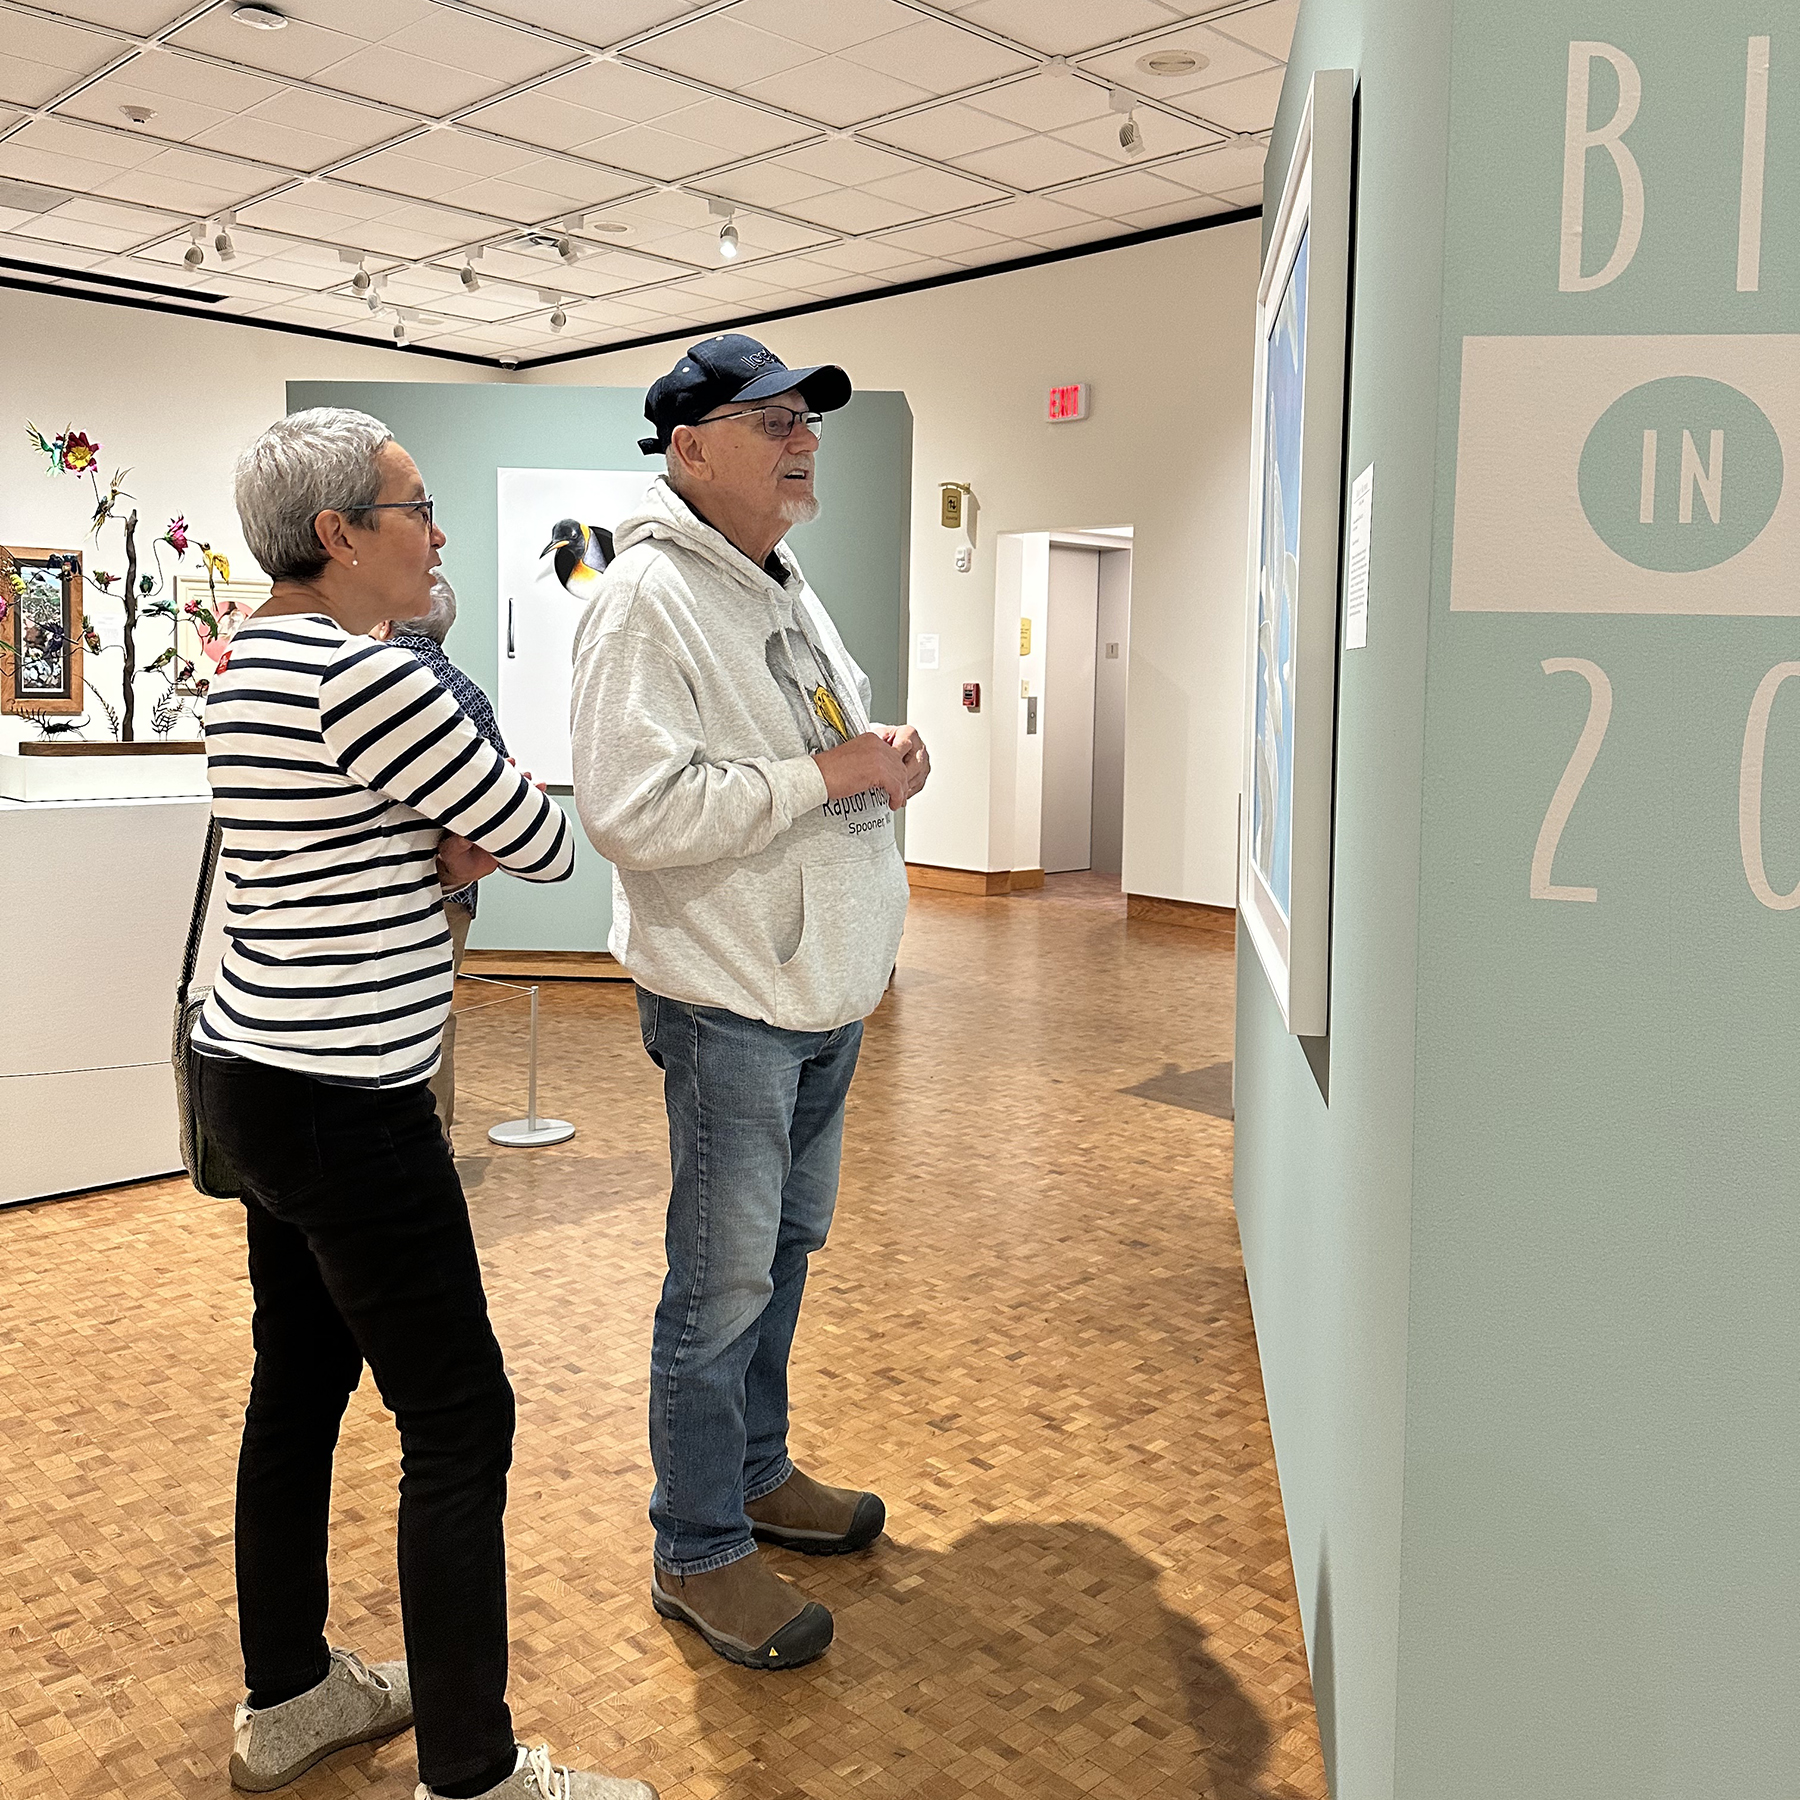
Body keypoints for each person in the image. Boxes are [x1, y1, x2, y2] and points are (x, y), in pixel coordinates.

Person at [192, 406, 655, 1800]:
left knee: (301, 1384)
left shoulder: (240, 667)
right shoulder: (371, 684)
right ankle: (473, 1771)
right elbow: (538, 836)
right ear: (338, 536)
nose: (437, 531)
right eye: (413, 507)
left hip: (254, 1079)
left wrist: (432, 846)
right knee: (461, 1421)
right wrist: (450, 853)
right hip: (350, 1102)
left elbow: (415, 840)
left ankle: (288, 1698)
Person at [569, 336, 930, 1671]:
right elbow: (630, 810)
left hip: (819, 992)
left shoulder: (777, 582)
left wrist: (882, 760)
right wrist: (829, 776)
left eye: (808, 421)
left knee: (780, 1259)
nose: (803, 440)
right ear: (691, 450)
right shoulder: (644, 601)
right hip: (731, 1001)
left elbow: (812, 741)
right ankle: (700, 1547)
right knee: (717, 1288)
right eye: (771, 420)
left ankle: (759, 1473)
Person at [369, 574, 506, 1141]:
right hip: (449, 887)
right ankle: (432, 1142)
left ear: (388, 621)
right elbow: (499, 802)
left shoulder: (369, 684)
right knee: (432, 1014)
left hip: (367, 885)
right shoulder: (468, 692)